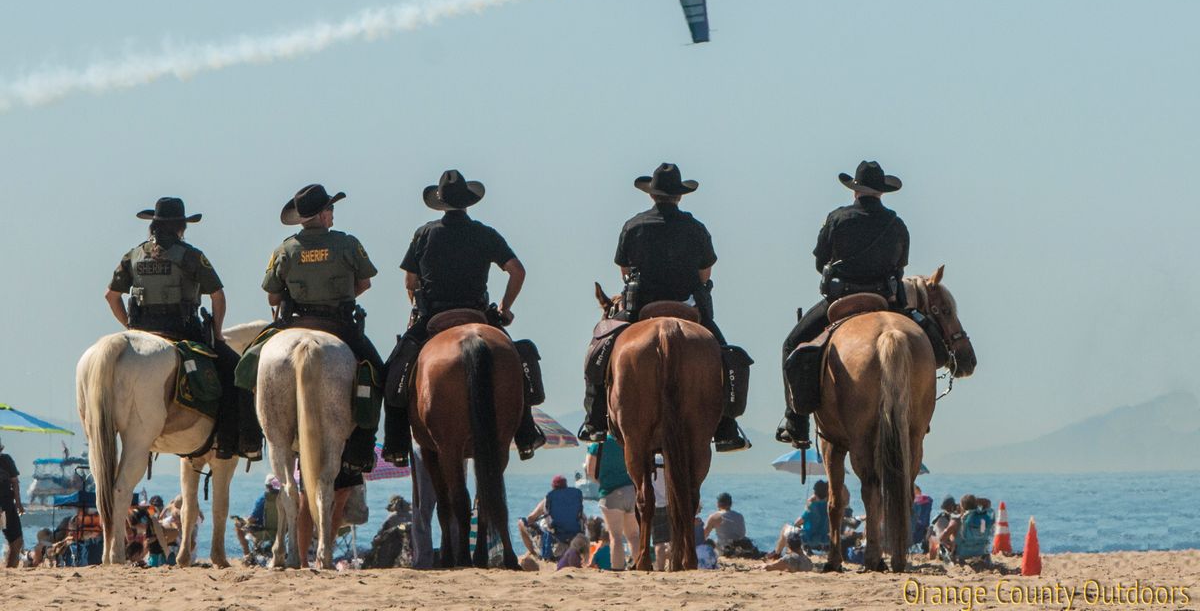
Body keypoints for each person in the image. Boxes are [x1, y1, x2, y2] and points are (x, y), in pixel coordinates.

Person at [578, 163, 752, 452]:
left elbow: (624, 270)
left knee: (601, 348)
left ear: (652, 195)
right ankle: (726, 427)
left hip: (640, 308)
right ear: (680, 196)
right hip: (687, 307)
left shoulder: (634, 225)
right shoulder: (695, 228)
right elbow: (704, 274)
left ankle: (594, 420)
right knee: (725, 355)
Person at [383, 169, 544, 467]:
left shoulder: (424, 233)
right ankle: (525, 433)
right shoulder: (484, 233)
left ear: (440, 202)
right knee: (518, 365)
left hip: (434, 315)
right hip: (478, 315)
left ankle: (395, 444)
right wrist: (505, 308)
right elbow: (517, 271)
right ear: (468, 203)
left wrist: (417, 306)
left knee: (396, 369)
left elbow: (410, 282)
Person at [778, 161, 942, 446]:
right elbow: (900, 267)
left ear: (855, 190)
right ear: (882, 192)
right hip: (885, 300)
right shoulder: (896, 223)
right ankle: (921, 413)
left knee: (792, 344)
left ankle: (796, 421)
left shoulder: (837, 218)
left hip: (841, 298)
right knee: (934, 342)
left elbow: (821, 262)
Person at [104, 197, 256, 459]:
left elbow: (111, 295)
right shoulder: (190, 256)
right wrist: (218, 334)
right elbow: (217, 295)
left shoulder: (134, 255)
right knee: (236, 371)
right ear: (180, 227)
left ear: (153, 226)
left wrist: (129, 326)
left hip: (140, 333)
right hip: (183, 331)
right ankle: (237, 442)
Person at [262, 184, 386, 473]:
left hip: (294, 323)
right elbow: (365, 283)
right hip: (340, 325)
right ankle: (362, 449)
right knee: (379, 375)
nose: (333, 214)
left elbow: (272, 296)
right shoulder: (347, 244)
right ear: (322, 214)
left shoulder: (285, 248)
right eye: (330, 209)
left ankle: (250, 435)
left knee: (247, 369)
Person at [586, 434, 638, 571]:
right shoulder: (626, 439)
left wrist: (601, 481)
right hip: (630, 490)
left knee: (615, 536)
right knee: (633, 535)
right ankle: (640, 565)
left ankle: (617, 569)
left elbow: (590, 471)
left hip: (610, 492)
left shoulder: (597, 443)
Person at [518, 474, 585, 560]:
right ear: (566, 485)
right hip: (573, 540)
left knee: (521, 522)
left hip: (554, 542)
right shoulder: (574, 499)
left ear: (553, 487)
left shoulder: (549, 499)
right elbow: (582, 518)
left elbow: (530, 518)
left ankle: (533, 553)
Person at [234, 474, 281, 561]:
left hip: (265, 531)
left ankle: (247, 553)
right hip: (282, 531)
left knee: (238, 524)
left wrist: (245, 519)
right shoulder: (284, 499)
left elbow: (253, 519)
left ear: (266, 486)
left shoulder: (263, 499)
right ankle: (262, 550)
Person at [0, 437, 23, 568]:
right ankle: (9, 571)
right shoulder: (6, 460)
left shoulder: (6, 460)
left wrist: (18, 504)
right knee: (15, 541)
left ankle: (9, 571)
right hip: (5, 506)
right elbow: (15, 483)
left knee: (16, 541)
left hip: (6, 506)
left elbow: (15, 482)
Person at [650, 454, 670, 570]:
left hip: (656, 504)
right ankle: (673, 565)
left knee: (659, 543)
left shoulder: (650, 458)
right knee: (673, 541)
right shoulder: (670, 457)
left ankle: (661, 568)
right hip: (671, 504)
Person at [799, 480, 831, 550]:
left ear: (815, 493)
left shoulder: (812, 507)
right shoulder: (830, 507)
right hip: (824, 539)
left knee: (789, 529)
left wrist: (808, 503)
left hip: (810, 540)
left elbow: (798, 522)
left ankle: (778, 553)